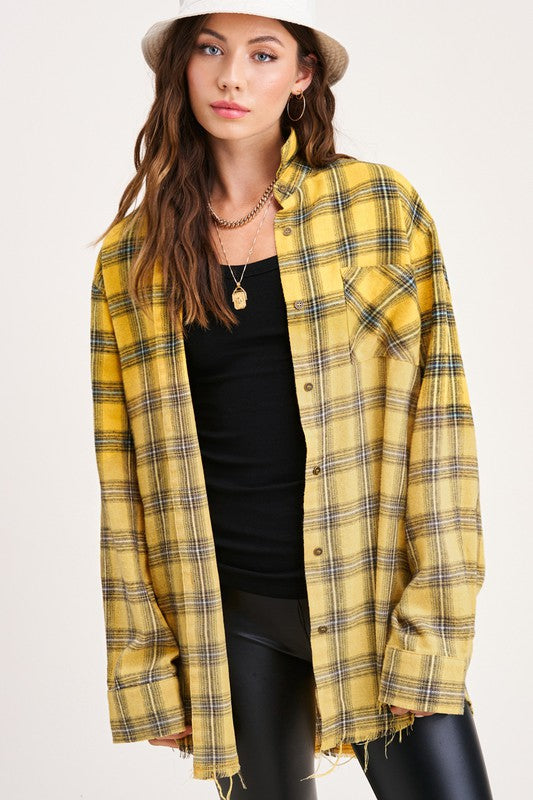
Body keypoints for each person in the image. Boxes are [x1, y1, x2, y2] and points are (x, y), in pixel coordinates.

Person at [89, 1, 494, 798]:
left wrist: (435, 630)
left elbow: (440, 428)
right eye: (210, 49)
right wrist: (144, 662)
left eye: (263, 54)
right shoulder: (131, 256)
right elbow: (122, 477)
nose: (231, 78)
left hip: (373, 605)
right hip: (228, 617)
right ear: (181, 65)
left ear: (303, 74)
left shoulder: (380, 209)